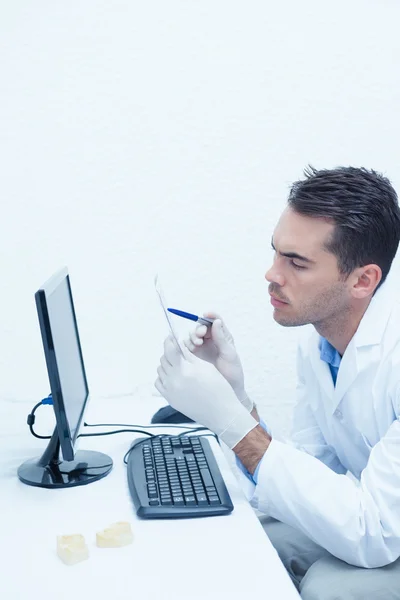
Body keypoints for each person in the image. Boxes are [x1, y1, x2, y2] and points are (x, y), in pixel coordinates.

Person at [155, 166, 400, 600]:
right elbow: (315, 472)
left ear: (363, 280)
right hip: (377, 516)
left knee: (329, 589)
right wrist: (237, 399)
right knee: (256, 539)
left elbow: (374, 533)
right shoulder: (320, 341)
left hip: (382, 527)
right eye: (276, 253)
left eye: (297, 263)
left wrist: (232, 425)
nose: (272, 274)